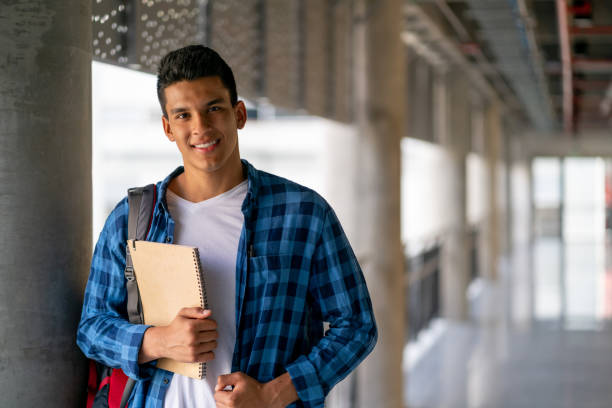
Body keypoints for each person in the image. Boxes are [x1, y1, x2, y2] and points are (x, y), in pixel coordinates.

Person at [77, 45, 377, 408]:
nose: (200, 127)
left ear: (239, 114)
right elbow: (92, 328)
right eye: (183, 115)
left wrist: (271, 395)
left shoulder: (304, 214)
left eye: (213, 109)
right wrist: (157, 341)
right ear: (167, 128)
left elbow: (357, 324)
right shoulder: (133, 217)